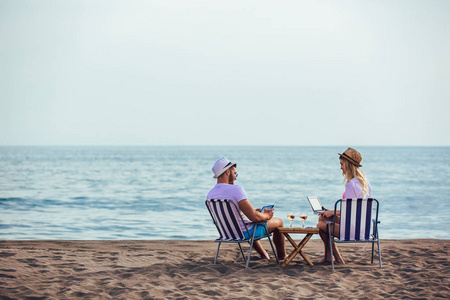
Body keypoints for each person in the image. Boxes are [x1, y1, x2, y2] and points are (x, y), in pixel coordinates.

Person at [207, 157, 286, 261]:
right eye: (235, 173)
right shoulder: (236, 189)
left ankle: (264, 255)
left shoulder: (210, 194)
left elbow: (235, 215)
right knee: (278, 221)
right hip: (243, 233)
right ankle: (282, 256)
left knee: (248, 223)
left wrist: (255, 213)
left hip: (227, 233)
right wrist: (267, 215)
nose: (235, 177)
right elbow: (254, 217)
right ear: (227, 171)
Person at [317, 148, 372, 264]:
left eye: (342, 164)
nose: (340, 167)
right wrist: (331, 212)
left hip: (351, 231)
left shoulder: (351, 185)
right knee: (323, 217)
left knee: (320, 224)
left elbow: (348, 210)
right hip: (363, 228)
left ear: (348, 164)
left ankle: (336, 257)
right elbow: (355, 210)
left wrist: (333, 212)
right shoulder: (365, 183)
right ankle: (329, 256)